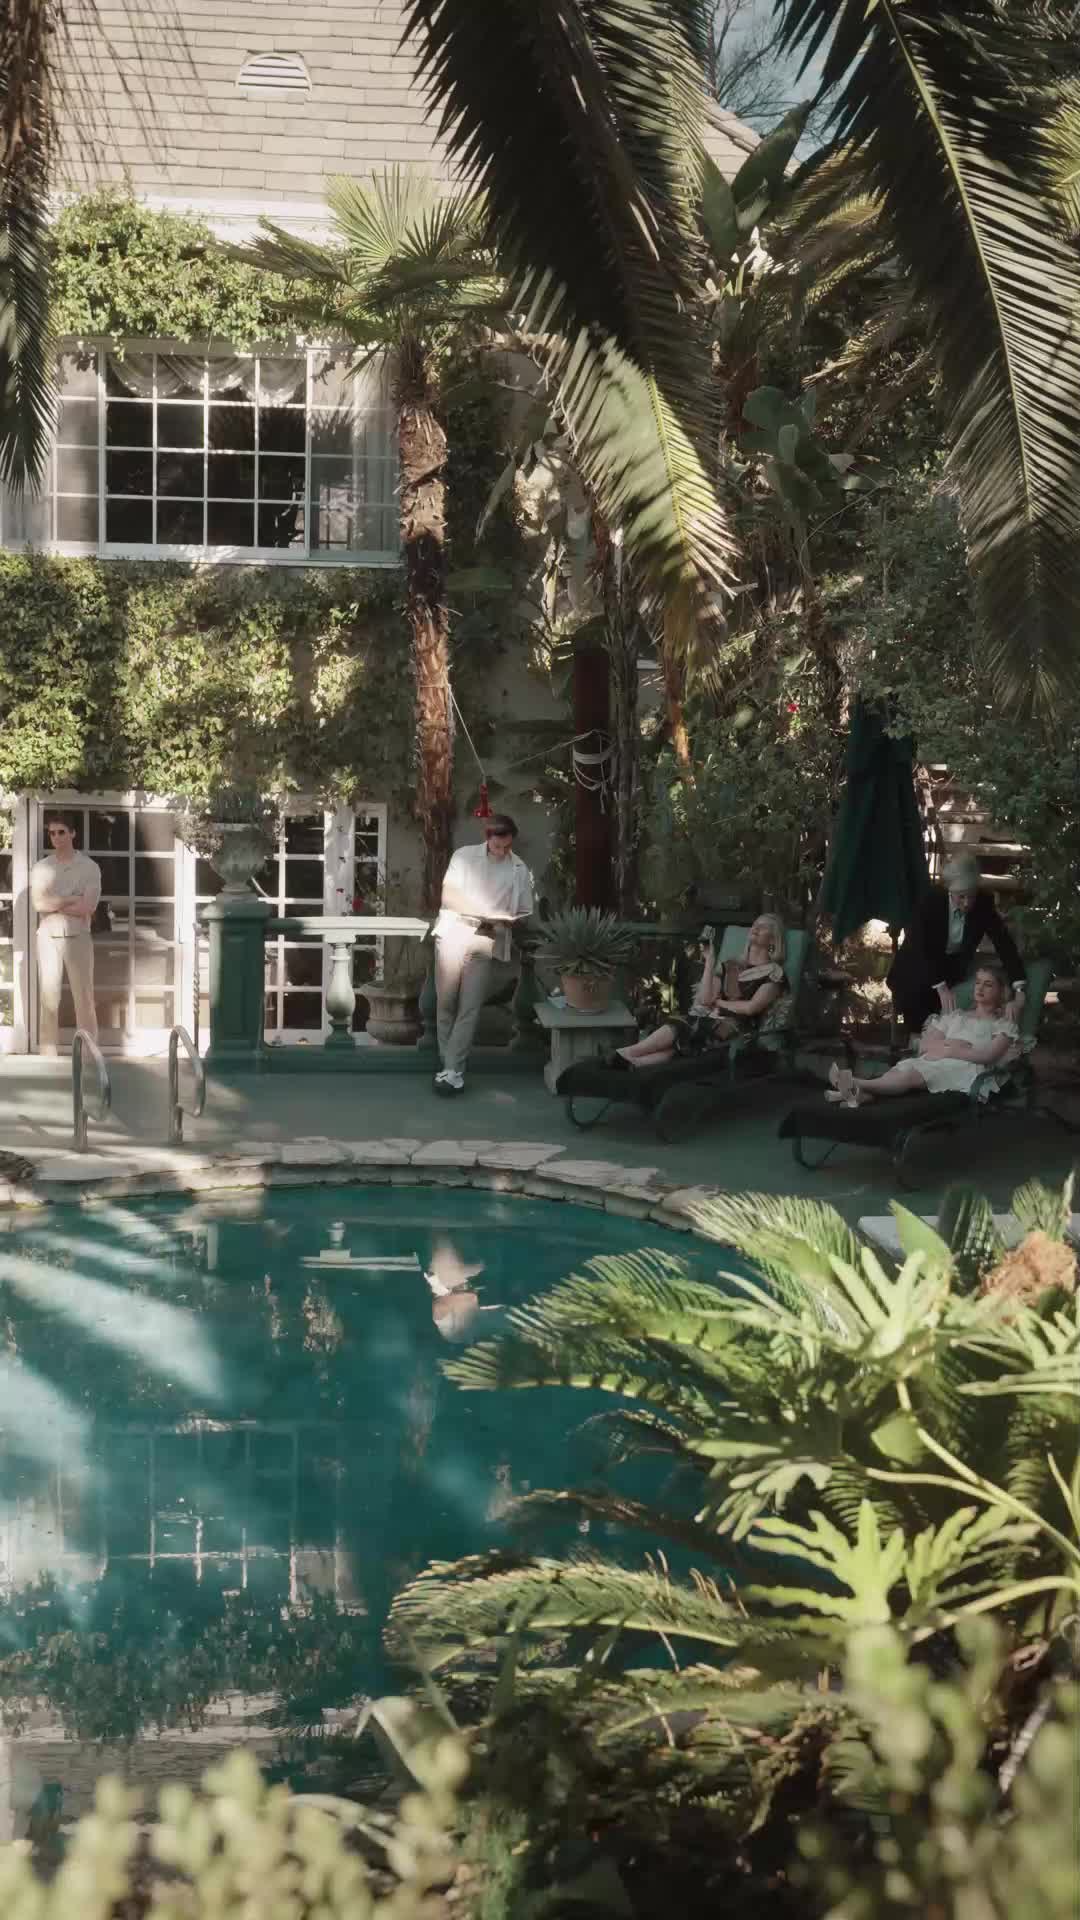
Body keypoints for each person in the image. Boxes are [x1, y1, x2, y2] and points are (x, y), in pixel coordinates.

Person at [432, 814, 534, 1096]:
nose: (502, 851)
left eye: (507, 846)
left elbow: (525, 909)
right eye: (497, 845)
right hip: (454, 931)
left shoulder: (518, 868)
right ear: (487, 838)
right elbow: (449, 897)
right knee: (446, 1002)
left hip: (486, 937)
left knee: (470, 1006)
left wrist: (510, 919)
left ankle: (452, 1069)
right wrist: (485, 911)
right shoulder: (464, 856)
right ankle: (448, 1066)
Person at [611, 914, 789, 1070]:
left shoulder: (774, 974)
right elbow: (705, 999)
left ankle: (626, 1053)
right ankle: (631, 1062)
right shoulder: (731, 965)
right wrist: (710, 961)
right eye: (755, 924)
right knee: (685, 1034)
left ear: (774, 940)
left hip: (739, 1031)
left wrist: (718, 1003)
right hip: (711, 1022)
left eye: (763, 926)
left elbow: (751, 1008)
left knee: (688, 1024)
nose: (756, 927)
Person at [827, 964, 1022, 1106]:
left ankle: (855, 1083)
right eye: (978, 982)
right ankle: (860, 1094)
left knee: (911, 1075)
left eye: (988, 984)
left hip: (965, 1069)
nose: (979, 988)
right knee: (901, 1070)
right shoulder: (956, 1016)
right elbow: (925, 1045)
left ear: (1001, 991)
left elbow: (989, 1056)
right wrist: (950, 1046)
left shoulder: (1003, 1025)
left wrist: (951, 1050)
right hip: (936, 1059)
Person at [887, 851, 1025, 1034]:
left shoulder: (983, 902)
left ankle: (943, 1038)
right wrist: (940, 985)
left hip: (952, 965)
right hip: (917, 962)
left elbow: (1003, 943)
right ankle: (918, 1037)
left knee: (952, 1010)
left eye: (971, 896)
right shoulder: (931, 900)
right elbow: (921, 946)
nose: (967, 903)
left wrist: (1019, 986)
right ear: (949, 890)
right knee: (918, 995)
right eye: (961, 896)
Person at [30, 814, 102, 1056]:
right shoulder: (41, 868)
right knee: (48, 997)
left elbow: (87, 906)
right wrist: (72, 898)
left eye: (61, 832)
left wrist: (55, 903)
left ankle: (89, 1055)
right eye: (52, 833)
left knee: (84, 997)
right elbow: (39, 904)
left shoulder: (89, 867)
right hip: (47, 937)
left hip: (78, 935)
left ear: (72, 833)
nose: (56, 837)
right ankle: (47, 1054)